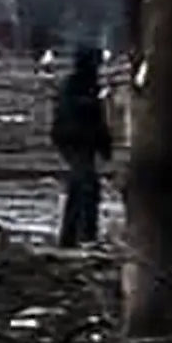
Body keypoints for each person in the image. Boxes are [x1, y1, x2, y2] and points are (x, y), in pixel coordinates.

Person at [52, 43, 112, 248]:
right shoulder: (75, 86)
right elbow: (86, 117)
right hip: (75, 141)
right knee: (85, 185)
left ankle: (74, 235)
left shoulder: (86, 85)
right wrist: (102, 142)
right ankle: (83, 235)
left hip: (79, 142)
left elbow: (96, 118)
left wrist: (103, 143)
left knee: (82, 186)